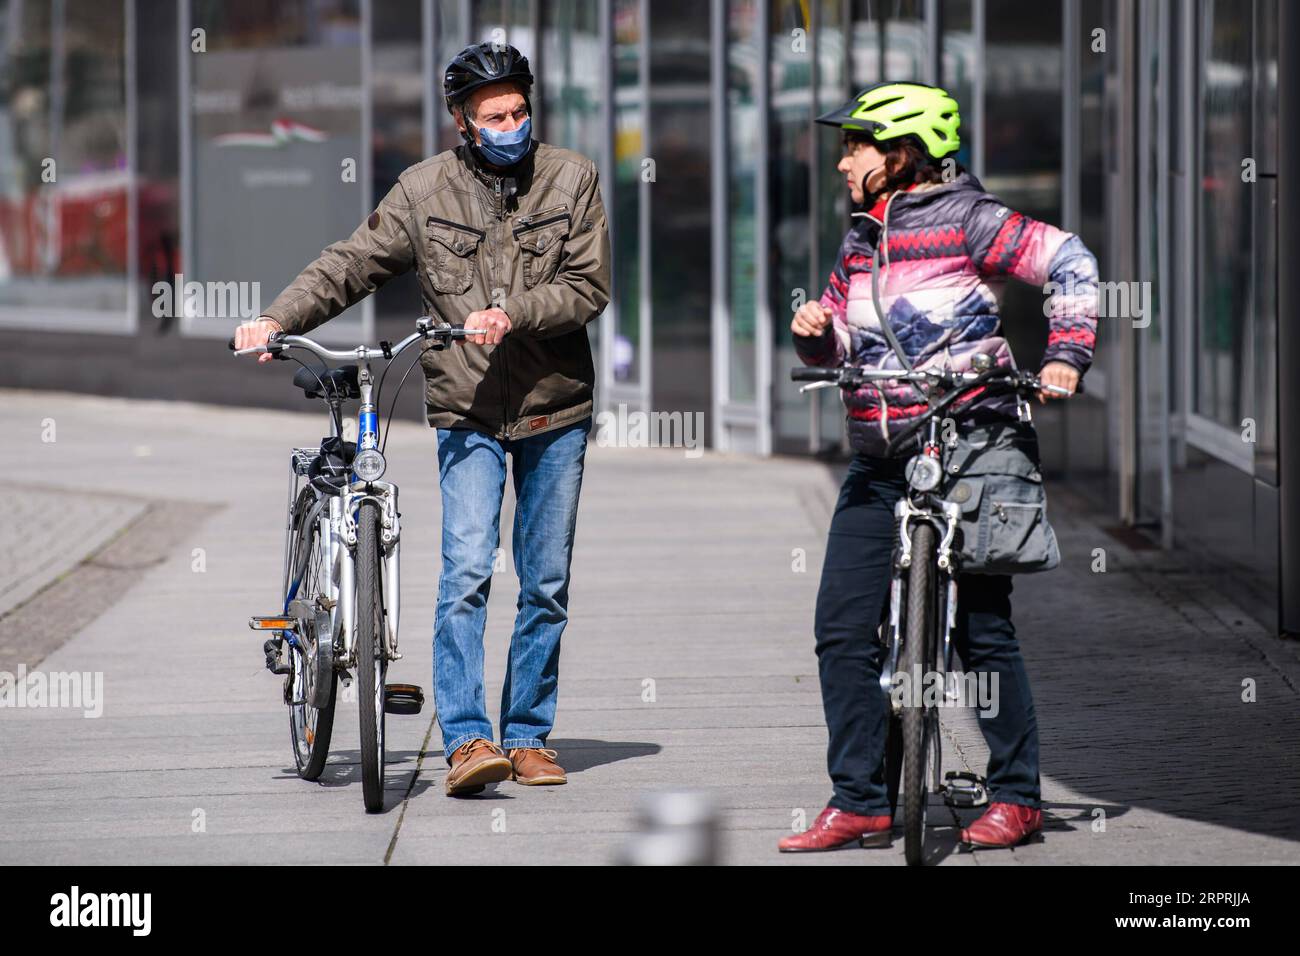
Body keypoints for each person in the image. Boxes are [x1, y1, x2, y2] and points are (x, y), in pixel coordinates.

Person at [233, 42, 611, 796]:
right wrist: (275, 318)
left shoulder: (572, 178)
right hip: (466, 409)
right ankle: (469, 740)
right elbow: (351, 262)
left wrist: (517, 312)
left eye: (520, 110)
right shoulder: (423, 191)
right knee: (468, 572)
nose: (512, 124)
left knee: (545, 582)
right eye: (495, 115)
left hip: (556, 408)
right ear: (464, 124)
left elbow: (588, 286)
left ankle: (529, 736)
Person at [778, 82, 1098, 852]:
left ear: (900, 153)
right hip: (881, 457)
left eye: (854, 146)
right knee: (841, 629)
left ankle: (1017, 797)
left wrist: (1066, 357)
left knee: (983, 631)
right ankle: (861, 800)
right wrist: (815, 335)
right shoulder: (862, 236)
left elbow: (1071, 263)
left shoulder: (970, 220)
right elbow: (846, 347)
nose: (842, 162)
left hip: (974, 446)